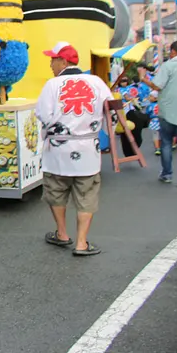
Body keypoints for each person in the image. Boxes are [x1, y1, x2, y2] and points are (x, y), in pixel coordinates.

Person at [37, 42, 115, 256]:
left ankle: (62, 234)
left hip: (58, 149)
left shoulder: (52, 85)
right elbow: (112, 113)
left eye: (53, 60)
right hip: (88, 149)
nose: (51, 64)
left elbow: (43, 115)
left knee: (56, 191)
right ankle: (82, 243)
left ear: (63, 61)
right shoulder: (97, 82)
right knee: (86, 194)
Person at [138, 41, 177, 187]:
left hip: (167, 112)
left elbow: (156, 86)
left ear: (173, 51)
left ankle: (167, 174)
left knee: (166, 143)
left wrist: (143, 78)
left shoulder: (168, 66)